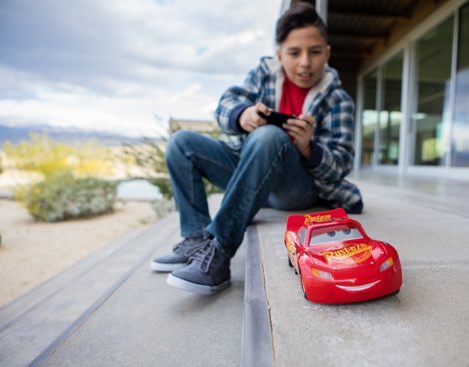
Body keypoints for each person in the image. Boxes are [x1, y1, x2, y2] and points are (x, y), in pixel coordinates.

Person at [150, 2, 363, 295]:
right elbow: (225, 105)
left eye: (314, 52)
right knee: (181, 143)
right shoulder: (263, 73)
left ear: (327, 53)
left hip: (295, 188)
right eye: (294, 53)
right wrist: (242, 115)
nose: (305, 62)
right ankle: (196, 240)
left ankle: (220, 252)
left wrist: (308, 149)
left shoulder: (338, 101)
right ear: (279, 54)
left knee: (269, 137)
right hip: (252, 170)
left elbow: (341, 164)